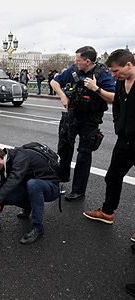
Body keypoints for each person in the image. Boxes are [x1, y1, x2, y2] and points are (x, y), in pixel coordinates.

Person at [50, 46, 115, 202]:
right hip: (71, 115)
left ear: (87, 61)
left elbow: (114, 96)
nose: (75, 62)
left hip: (90, 118)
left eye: (78, 60)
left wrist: (96, 89)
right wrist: (62, 97)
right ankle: (61, 179)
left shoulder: (102, 74)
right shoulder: (73, 71)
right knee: (64, 149)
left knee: (84, 153)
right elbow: (54, 82)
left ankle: (78, 190)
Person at [83, 49, 135, 225]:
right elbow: (118, 102)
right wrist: (118, 124)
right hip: (124, 140)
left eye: (116, 71)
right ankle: (107, 212)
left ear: (129, 65)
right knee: (112, 176)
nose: (113, 75)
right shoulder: (121, 82)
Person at [0, 145, 61, 244]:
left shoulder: (21, 157)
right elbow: (4, 185)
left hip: (51, 187)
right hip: (32, 185)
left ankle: (38, 228)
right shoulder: (5, 162)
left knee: (33, 185)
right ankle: (28, 207)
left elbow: (14, 179)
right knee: (7, 196)